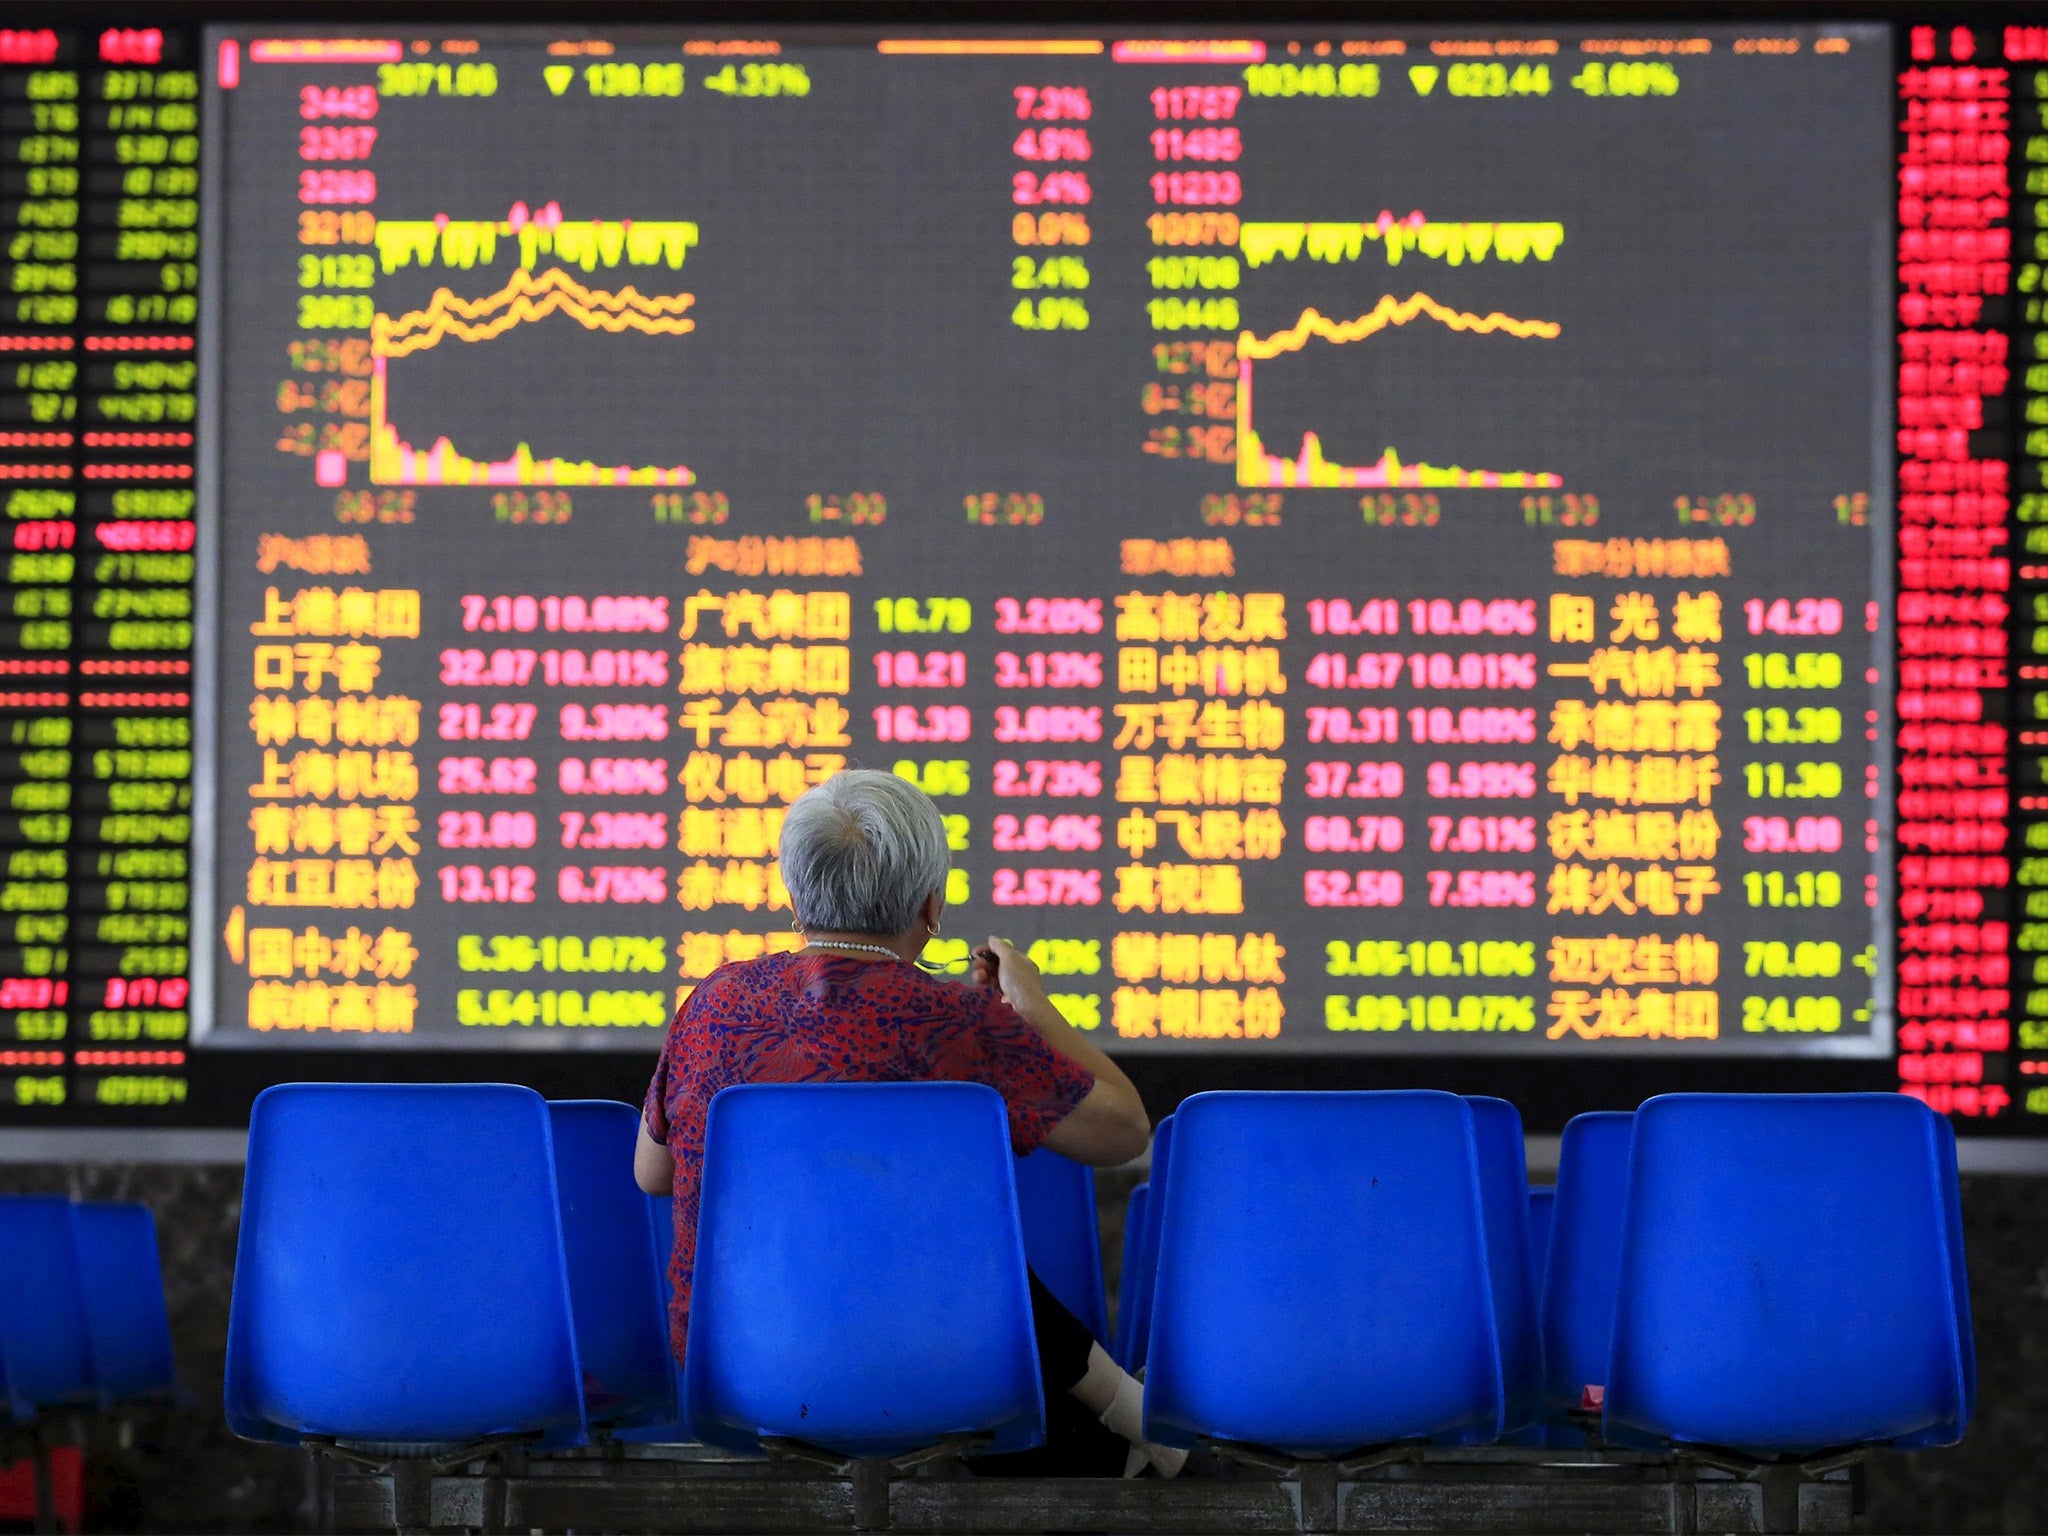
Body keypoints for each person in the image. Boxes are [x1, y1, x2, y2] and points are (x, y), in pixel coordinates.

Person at [634, 768, 1183, 1477]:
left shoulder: (714, 1004)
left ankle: (1119, 1432)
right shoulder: (963, 1022)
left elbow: (654, 1173)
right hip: (933, 1359)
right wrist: (1034, 1010)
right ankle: (1124, 1426)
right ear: (932, 906)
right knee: (957, 1239)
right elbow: (1126, 1130)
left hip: (740, 1365)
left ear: (796, 897)